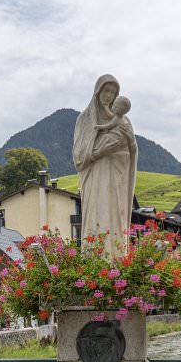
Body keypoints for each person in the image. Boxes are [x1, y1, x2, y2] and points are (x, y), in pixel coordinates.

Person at [72, 75, 138, 256]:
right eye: (106, 91)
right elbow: (78, 157)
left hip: (117, 177)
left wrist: (131, 142)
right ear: (98, 91)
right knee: (96, 215)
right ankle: (95, 260)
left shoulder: (124, 121)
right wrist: (101, 152)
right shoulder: (85, 119)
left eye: (113, 92)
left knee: (116, 213)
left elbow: (132, 150)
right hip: (95, 178)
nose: (109, 96)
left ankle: (117, 258)